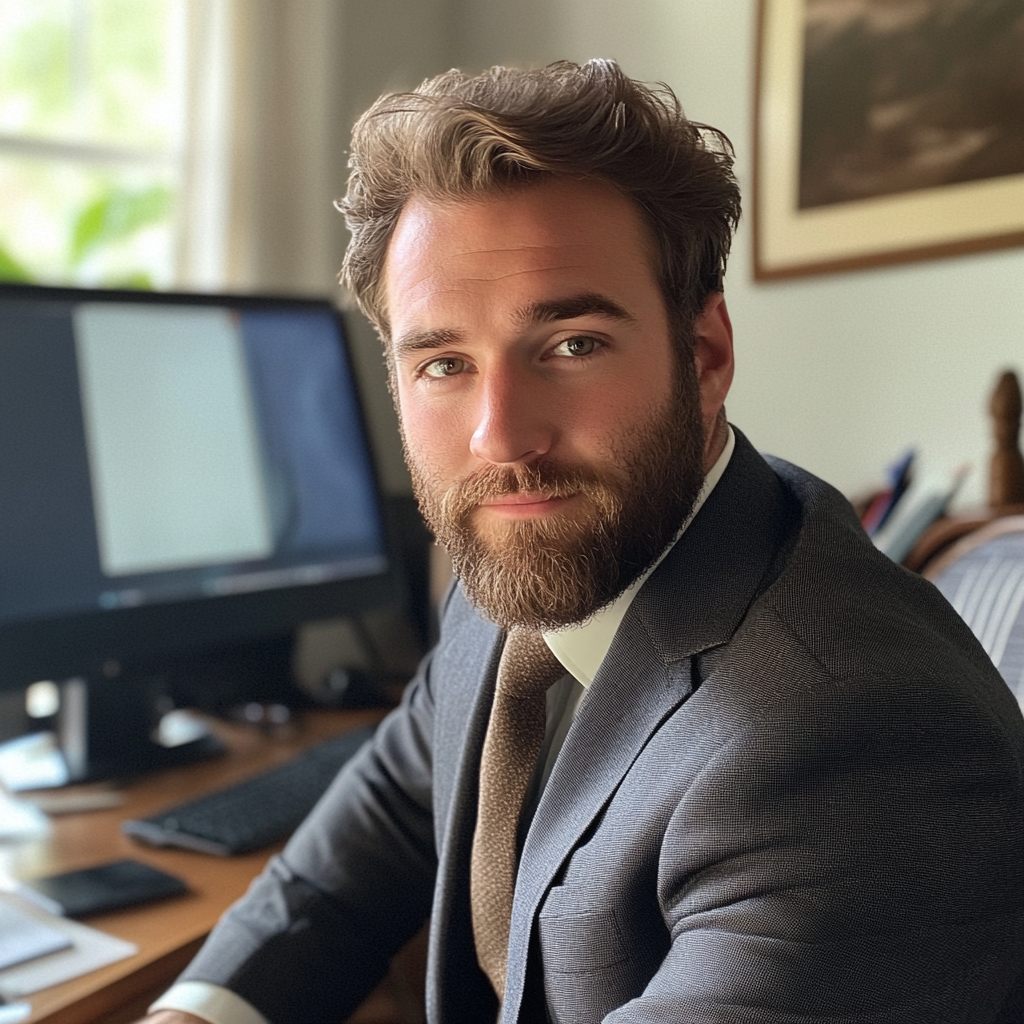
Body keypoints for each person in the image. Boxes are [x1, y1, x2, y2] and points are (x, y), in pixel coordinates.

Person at [143, 60, 1024, 1024]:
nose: (501, 440)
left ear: (705, 355)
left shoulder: (854, 748)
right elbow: (391, 813)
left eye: (571, 345)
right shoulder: (528, 561)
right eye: (443, 363)